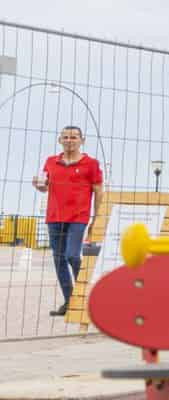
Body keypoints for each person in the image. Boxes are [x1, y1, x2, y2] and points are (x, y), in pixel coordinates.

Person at [32, 125, 102, 315]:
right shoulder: (51, 162)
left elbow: (98, 191)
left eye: (73, 137)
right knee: (58, 259)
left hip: (78, 217)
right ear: (60, 140)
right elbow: (45, 186)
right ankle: (70, 301)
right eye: (66, 137)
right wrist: (39, 186)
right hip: (54, 217)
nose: (69, 140)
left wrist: (97, 218)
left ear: (82, 140)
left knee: (72, 255)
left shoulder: (91, 164)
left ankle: (84, 295)